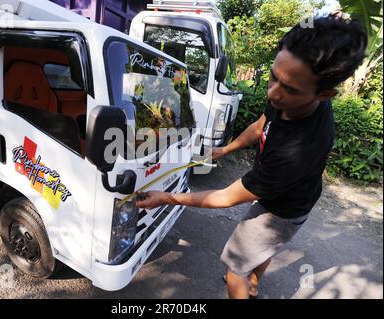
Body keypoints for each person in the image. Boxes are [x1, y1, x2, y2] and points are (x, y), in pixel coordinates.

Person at [135, 14, 368, 299]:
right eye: (273, 77)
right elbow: (259, 127)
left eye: (289, 89)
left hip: (281, 212)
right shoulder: (293, 98)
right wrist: (226, 148)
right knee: (261, 248)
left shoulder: (297, 150)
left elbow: (225, 198)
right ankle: (254, 283)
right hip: (290, 198)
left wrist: (167, 197)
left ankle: (245, 283)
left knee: (234, 268)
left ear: (326, 95)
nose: (273, 93)